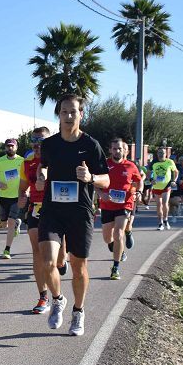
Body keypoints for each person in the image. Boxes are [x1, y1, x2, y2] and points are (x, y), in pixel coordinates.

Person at [36, 94, 109, 336]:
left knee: (78, 267)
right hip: (53, 209)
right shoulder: (49, 144)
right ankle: (58, 299)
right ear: (59, 115)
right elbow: (43, 164)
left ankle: (78, 312)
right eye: (64, 112)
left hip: (80, 212)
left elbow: (106, 179)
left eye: (73, 112)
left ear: (81, 114)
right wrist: (42, 174)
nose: (68, 116)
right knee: (47, 262)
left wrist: (91, 178)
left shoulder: (91, 145)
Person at [21, 127, 65, 313]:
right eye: (34, 139)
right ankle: (43, 297)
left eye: (41, 140)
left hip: (57, 208)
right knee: (38, 252)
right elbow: (23, 187)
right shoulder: (27, 162)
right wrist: (22, 196)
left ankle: (63, 260)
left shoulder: (58, 158)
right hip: (36, 208)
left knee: (59, 259)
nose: (37, 143)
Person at [99, 138, 143, 281]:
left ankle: (115, 268)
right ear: (110, 150)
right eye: (115, 148)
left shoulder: (130, 166)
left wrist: (138, 191)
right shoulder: (104, 164)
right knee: (107, 238)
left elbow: (138, 180)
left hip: (125, 204)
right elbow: (94, 181)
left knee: (118, 233)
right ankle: (117, 246)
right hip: (107, 205)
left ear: (124, 150)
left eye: (120, 149)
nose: (117, 151)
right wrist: (101, 193)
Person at [0, 138, 25, 259]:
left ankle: (7, 250)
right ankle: (16, 225)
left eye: (12, 146)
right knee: (4, 223)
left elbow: (28, 177)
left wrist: (26, 191)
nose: (10, 148)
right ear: (5, 148)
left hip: (17, 196)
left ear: (16, 147)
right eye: (8, 146)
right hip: (3, 196)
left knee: (10, 220)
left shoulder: (22, 161)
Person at [149, 148, 178, 230]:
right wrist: (151, 180)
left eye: (163, 153)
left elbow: (176, 172)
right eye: (159, 153)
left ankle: (166, 220)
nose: (161, 154)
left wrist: (174, 181)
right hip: (156, 186)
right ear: (157, 154)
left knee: (165, 203)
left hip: (166, 186)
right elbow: (148, 172)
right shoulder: (153, 162)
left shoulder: (169, 162)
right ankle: (160, 223)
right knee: (158, 205)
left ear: (166, 154)